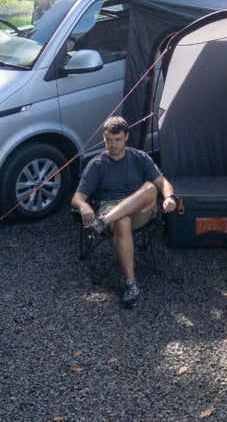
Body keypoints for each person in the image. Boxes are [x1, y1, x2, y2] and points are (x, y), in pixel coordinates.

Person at [71, 116, 177, 308]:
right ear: (104, 138)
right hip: (111, 209)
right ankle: (131, 285)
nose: (112, 145)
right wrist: (84, 205)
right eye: (108, 140)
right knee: (122, 221)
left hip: (139, 209)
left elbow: (162, 183)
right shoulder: (96, 164)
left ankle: (102, 222)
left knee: (150, 188)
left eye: (117, 139)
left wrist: (169, 197)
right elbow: (77, 197)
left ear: (126, 136)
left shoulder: (139, 157)